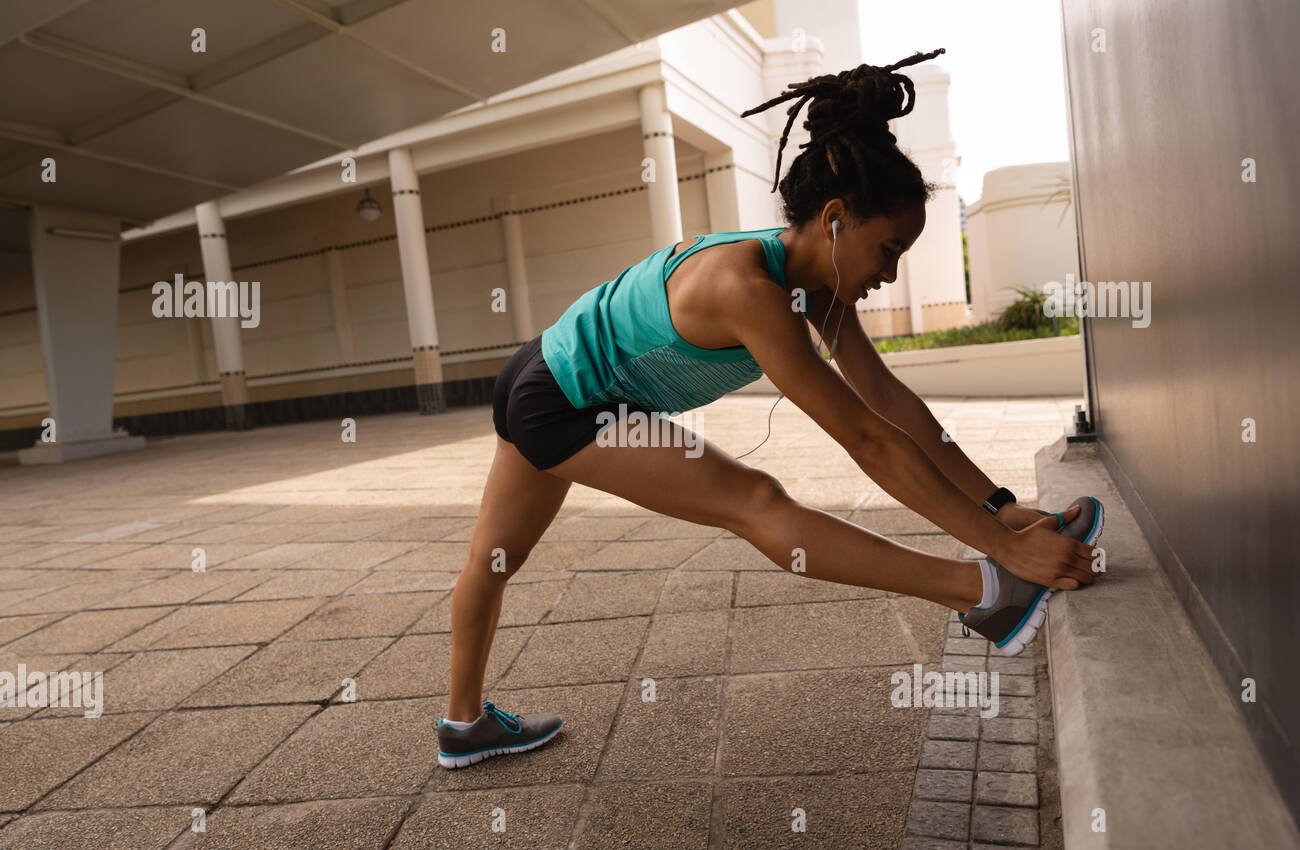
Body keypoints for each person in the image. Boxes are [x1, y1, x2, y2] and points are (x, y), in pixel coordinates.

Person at [436, 50, 1102, 769]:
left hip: (539, 372)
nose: (892, 272)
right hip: (560, 396)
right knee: (753, 500)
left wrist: (998, 508)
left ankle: (463, 726)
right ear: (837, 218)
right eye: (889, 248)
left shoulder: (814, 287)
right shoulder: (747, 287)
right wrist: (1005, 549)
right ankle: (989, 592)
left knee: (492, 559)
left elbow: (888, 403)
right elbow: (865, 440)